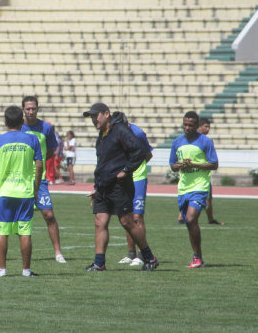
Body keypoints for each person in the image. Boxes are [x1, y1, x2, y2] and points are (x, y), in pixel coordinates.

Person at [83, 103, 159, 271]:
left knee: (127, 222)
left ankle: (149, 257)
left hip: (119, 186)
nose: (93, 119)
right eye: (91, 117)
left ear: (107, 114)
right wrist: (97, 187)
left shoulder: (120, 130)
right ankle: (99, 263)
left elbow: (139, 151)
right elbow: (102, 163)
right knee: (100, 222)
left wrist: (126, 170)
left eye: (96, 115)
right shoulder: (102, 135)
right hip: (104, 187)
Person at [0, 105, 43, 277]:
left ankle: (2, 271)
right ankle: (26, 271)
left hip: (4, 192)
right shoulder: (32, 140)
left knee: (3, 232)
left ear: (5, 121)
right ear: (23, 121)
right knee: (25, 232)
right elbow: (40, 165)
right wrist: (36, 187)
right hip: (25, 192)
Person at [170, 111, 219, 268]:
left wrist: (195, 164)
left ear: (197, 126)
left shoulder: (205, 141)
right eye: (185, 124)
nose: (187, 128)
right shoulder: (177, 142)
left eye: (190, 125)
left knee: (191, 219)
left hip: (200, 186)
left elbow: (214, 164)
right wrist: (182, 165)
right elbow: (172, 165)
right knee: (189, 223)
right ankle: (198, 257)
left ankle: (197, 256)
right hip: (184, 187)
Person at [21, 96, 66, 263]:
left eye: (33, 108)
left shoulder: (46, 128)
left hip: (39, 179)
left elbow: (50, 151)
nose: (31, 112)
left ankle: (58, 253)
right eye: (28, 109)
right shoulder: (18, 127)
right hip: (21, 179)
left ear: (38, 109)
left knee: (48, 214)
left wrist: (38, 163)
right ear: (23, 110)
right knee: (20, 217)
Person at [112, 112, 154, 267]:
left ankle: (142, 254)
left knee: (137, 217)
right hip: (123, 177)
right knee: (126, 215)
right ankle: (131, 253)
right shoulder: (114, 133)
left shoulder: (138, 133)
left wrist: (135, 167)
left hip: (137, 177)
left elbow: (147, 155)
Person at [177, 117, 222, 225]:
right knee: (206, 198)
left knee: (206, 198)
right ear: (199, 127)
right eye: (206, 126)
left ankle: (208, 219)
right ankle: (209, 219)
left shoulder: (204, 141)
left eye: (209, 127)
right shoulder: (199, 141)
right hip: (197, 176)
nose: (208, 129)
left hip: (201, 176)